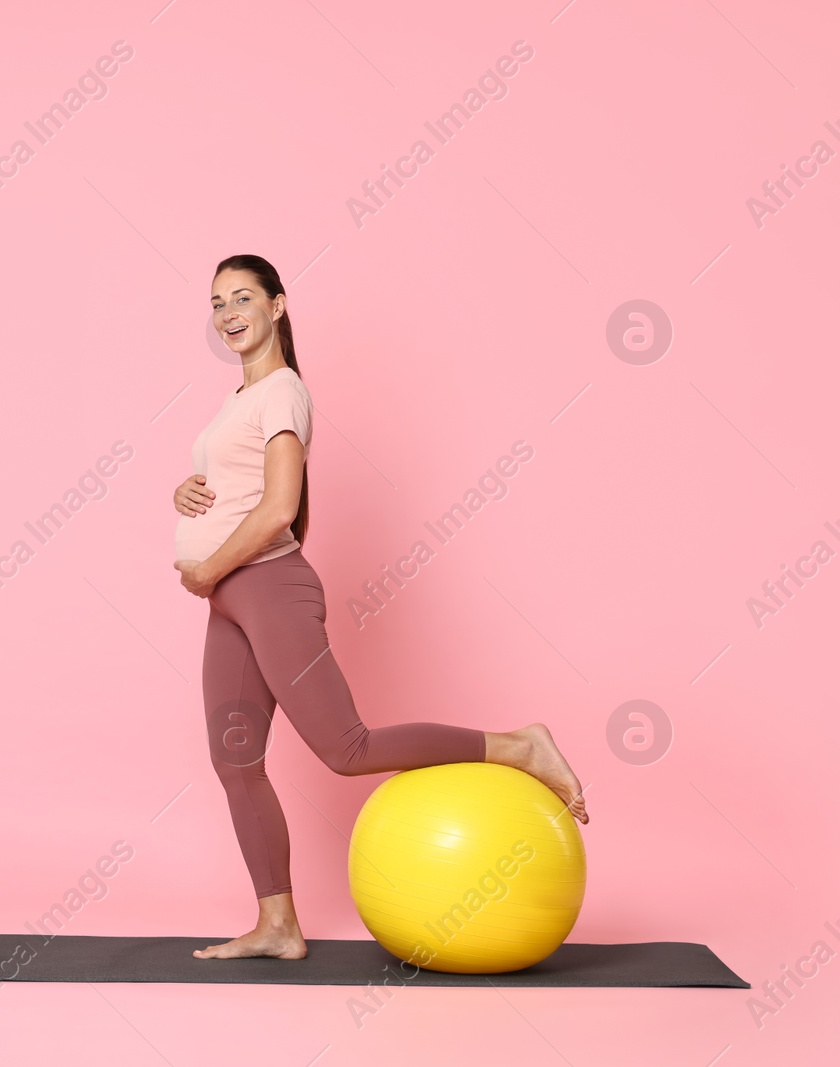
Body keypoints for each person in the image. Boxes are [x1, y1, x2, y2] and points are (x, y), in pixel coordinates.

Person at [173, 254, 588, 962]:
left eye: (242, 297)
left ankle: (519, 745)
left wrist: (207, 564)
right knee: (236, 762)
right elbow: (239, 487)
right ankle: (278, 923)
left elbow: (278, 509)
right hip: (231, 602)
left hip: (266, 586)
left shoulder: (283, 391)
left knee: (346, 747)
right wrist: (187, 492)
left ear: (277, 306)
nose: (227, 312)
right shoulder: (236, 400)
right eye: (216, 303)